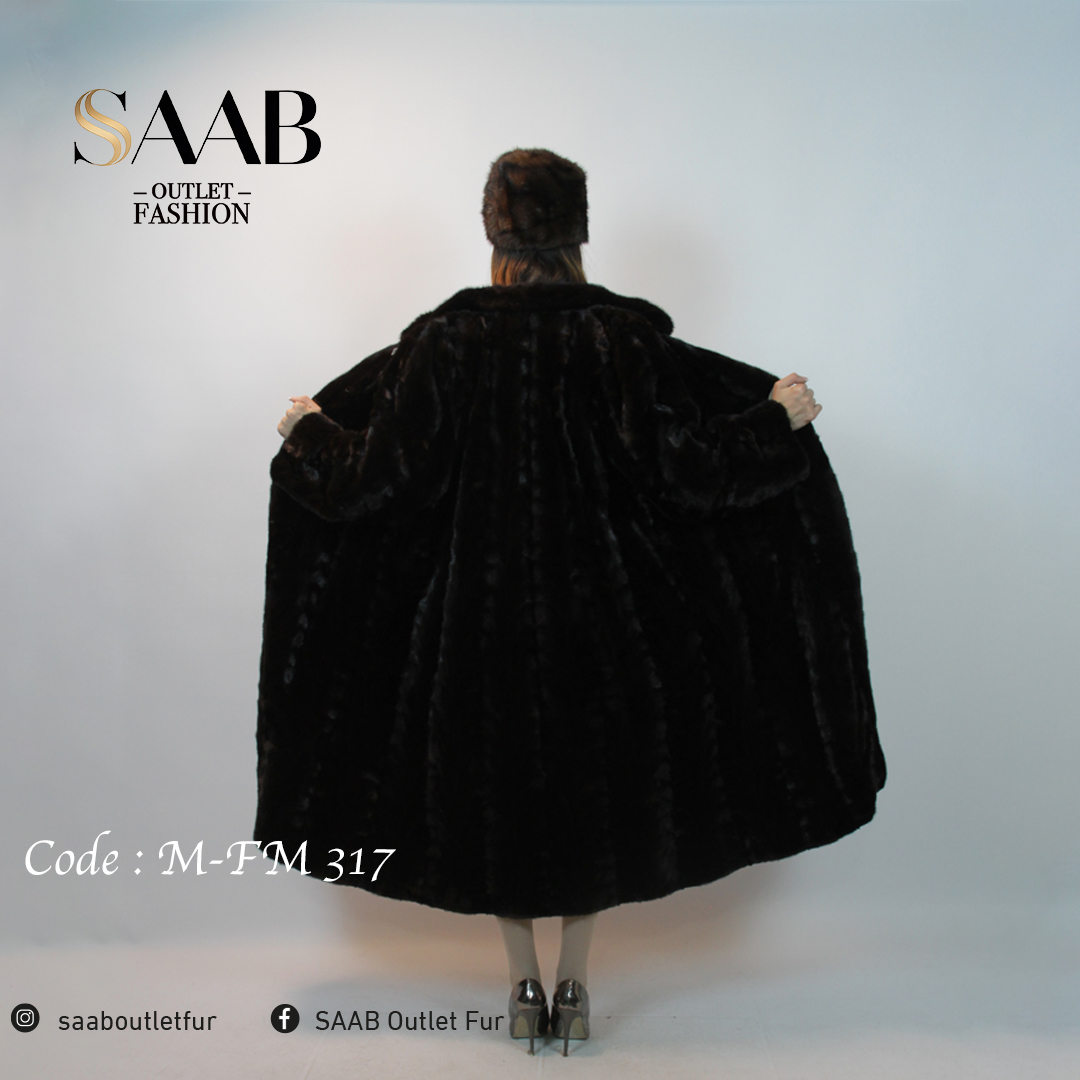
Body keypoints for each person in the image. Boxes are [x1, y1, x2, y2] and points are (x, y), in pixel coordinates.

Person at [256, 148, 885, 1055]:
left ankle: (522, 983)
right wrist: (771, 421)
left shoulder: (444, 343)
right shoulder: (616, 339)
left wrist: (310, 432)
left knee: (497, 802)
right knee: (592, 803)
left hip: (475, 630)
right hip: (599, 625)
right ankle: (577, 984)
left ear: (493, 233)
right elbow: (687, 469)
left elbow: (376, 478)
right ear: (577, 233)